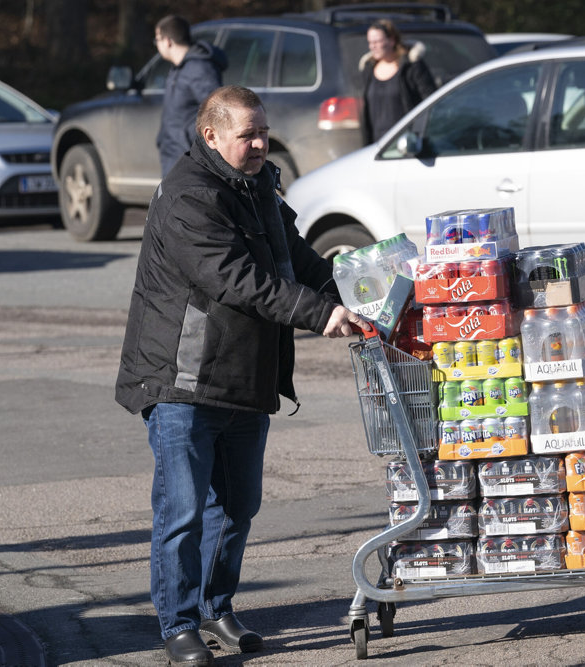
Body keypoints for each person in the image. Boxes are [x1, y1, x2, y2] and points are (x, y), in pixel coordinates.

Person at [115, 85, 370, 666]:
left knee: (237, 507)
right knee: (180, 512)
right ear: (211, 135)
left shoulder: (259, 186)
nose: (259, 144)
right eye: (247, 135)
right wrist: (318, 313)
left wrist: (362, 289)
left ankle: (215, 607)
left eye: (263, 132)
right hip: (182, 379)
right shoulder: (187, 196)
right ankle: (178, 624)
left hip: (244, 375)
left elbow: (296, 260)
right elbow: (234, 279)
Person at [154, 14, 227, 176]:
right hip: (173, 154)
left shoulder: (198, 68)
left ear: (167, 41)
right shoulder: (178, 68)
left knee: (183, 201)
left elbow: (217, 111)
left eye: (157, 40)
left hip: (188, 157)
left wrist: (189, 141)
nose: (156, 45)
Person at [359, 18, 437, 145]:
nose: (372, 46)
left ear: (391, 40)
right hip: (377, 144)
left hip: (407, 143)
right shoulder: (368, 69)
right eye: (370, 42)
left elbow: (430, 102)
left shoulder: (410, 66)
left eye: (377, 41)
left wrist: (418, 136)